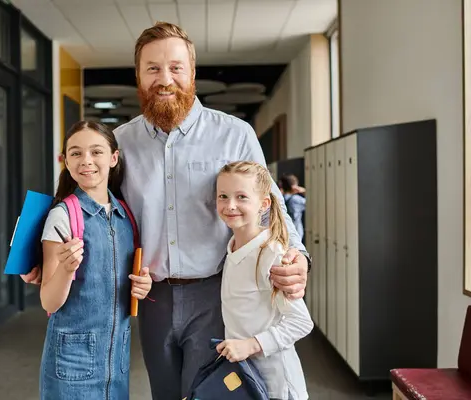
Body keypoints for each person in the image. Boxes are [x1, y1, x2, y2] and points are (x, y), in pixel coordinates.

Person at [23, 22, 311, 399]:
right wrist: (42, 256)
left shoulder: (234, 134)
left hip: (215, 293)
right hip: (150, 297)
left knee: (209, 392)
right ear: (139, 77)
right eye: (153, 68)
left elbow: (270, 206)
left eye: (175, 67)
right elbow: (89, 201)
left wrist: (298, 257)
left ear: (192, 73)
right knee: (164, 392)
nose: (164, 79)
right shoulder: (121, 142)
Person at [38, 121, 152, 400]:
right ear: (65, 161)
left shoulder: (125, 215)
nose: (86, 161)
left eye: (96, 152)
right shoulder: (63, 216)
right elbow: (49, 302)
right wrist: (66, 270)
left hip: (116, 363)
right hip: (71, 365)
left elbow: (129, 279)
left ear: (113, 158)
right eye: (75, 153)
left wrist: (143, 285)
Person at [215, 161, 313, 400]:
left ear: (264, 204)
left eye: (241, 197)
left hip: (278, 386)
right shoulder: (233, 248)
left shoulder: (272, 254)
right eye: (223, 196)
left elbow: (301, 322)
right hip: (248, 379)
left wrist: (250, 345)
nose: (230, 205)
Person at [279, 174, 306, 241]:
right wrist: (304, 191)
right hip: (295, 234)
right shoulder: (296, 200)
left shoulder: (280, 198)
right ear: (294, 187)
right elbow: (315, 204)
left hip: (282, 232)